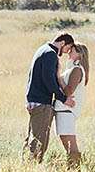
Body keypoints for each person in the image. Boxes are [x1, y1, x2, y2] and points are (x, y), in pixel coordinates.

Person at [24, 33, 75, 162]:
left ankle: (25, 167)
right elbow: (49, 81)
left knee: (33, 137)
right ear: (62, 43)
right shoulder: (50, 54)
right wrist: (64, 99)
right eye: (67, 48)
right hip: (42, 102)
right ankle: (32, 168)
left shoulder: (42, 50)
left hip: (34, 100)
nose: (66, 52)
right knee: (40, 141)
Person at [54, 43, 89, 168]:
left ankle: (77, 171)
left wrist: (59, 77)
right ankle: (75, 169)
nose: (68, 52)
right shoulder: (73, 69)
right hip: (64, 111)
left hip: (66, 112)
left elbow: (69, 91)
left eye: (72, 51)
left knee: (70, 147)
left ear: (79, 54)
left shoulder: (77, 70)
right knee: (67, 145)